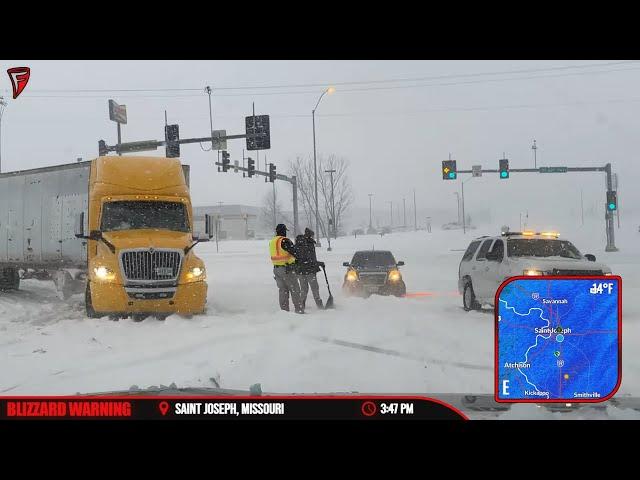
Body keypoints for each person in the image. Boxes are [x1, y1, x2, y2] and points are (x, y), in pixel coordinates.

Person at [269, 224, 304, 314]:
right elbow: (295, 252)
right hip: (287, 269)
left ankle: (284, 312)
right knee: (295, 289)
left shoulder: (272, 241)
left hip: (276, 270)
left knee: (283, 290)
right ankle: (299, 310)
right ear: (284, 231)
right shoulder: (284, 240)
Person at [294, 228, 324, 310]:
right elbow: (311, 259)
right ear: (310, 235)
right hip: (309, 270)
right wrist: (318, 263)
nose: (313, 237)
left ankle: (301, 305)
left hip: (300, 270)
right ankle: (319, 305)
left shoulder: (298, 244)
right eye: (312, 236)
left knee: (304, 289)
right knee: (315, 288)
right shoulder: (309, 244)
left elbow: (300, 258)